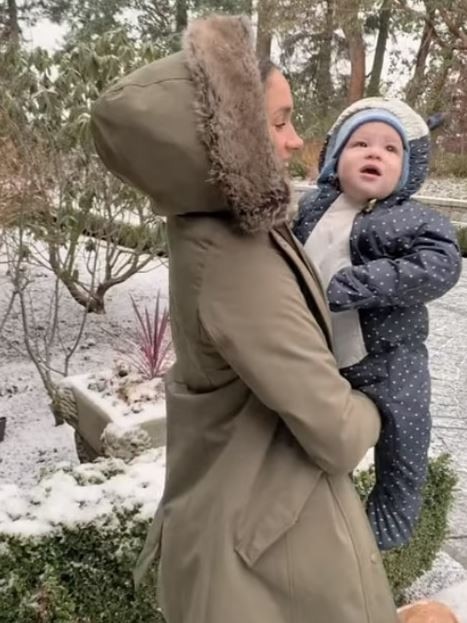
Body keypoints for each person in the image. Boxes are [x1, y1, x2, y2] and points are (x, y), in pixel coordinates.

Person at [91, 14, 399, 623]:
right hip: (266, 564)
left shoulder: (203, 228)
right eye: (279, 121)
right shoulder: (239, 260)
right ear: (224, 141)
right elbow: (336, 433)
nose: (293, 140)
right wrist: (379, 403)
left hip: (236, 521)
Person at [294, 98, 462, 550]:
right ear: (334, 158)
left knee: (405, 438)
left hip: (390, 360)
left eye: (391, 149)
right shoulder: (312, 207)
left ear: (407, 169)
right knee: (316, 441)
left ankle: (388, 521)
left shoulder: (410, 218)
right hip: (318, 355)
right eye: (361, 143)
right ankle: (316, 512)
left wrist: (364, 282)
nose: (375, 154)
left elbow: (440, 265)